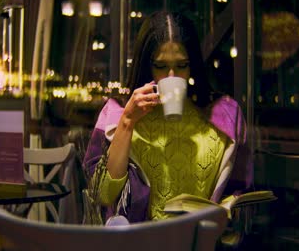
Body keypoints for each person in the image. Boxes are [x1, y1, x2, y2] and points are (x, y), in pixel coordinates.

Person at [83, 11, 250, 223]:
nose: (172, 76)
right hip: (140, 241)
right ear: (146, 65)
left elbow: (241, 190)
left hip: (200, 240)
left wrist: (226, 211)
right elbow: (103, 194)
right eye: (160, 66)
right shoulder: (116, 112)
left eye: (182, 66)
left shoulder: (225, 115)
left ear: (194, 65)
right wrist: (127, 122)